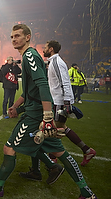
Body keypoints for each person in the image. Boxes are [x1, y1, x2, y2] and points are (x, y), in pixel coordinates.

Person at [0, 24, 97, 199]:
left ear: (28, 37)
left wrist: (47, 117)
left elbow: (42, 85)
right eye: (12, 36)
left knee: (9, 148)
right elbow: (28, 92)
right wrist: (16, 106)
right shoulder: (27, 57)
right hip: (36, 111)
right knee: (60, 152)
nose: (14, 39)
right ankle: (86, 193)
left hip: (36, 116)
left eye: (17, 35)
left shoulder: (30, 55)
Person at [19, 40, 96, 181]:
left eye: (46, 47)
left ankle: (53, 162)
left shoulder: (56, 62)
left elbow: (65, 82)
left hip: (60, 102)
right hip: (57, 101)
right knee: (58, 129)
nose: (44, 49)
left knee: (51, 129)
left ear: (52, 49)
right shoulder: (54, 61)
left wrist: (66, 104)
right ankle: (84, 151)